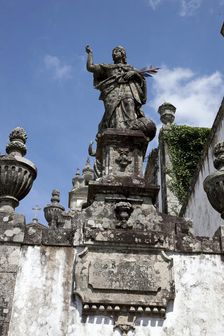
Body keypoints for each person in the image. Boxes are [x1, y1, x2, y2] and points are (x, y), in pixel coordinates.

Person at [85, 45, 148, 133]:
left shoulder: (130, 68)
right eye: (113, 52)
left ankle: (131, 128)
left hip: (128, 89)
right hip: (112, 92)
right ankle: (114, 128)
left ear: (123, 53)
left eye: (116, 51)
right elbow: (90, 67)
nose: (114, 54)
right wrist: (90, 53)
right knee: (112, 112)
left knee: (129, 104)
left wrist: (134, 73)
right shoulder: (108, 67)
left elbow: (142, 79)